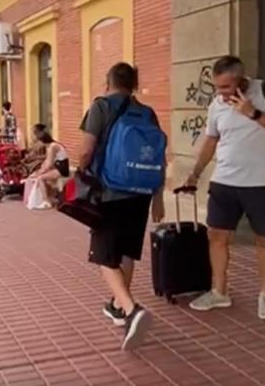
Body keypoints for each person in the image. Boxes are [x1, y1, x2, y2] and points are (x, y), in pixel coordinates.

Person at [185, 56, 265, 321]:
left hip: (263, 183)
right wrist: (195, 173)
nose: (221, 93)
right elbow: (211, 140)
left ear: (241, 80)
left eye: (226, 87)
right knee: (216, 236)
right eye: (217, 87)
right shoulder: (217, 105)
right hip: (224, 181)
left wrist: (253, 113)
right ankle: (219, 291)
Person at [77, 62, 165, 350]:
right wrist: (158, 197)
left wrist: (80, 172)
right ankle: (117, 305)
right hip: (141, 193)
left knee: (104, 256)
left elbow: (87, 149)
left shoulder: (101, 106)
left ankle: (132, 309)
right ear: (134, 84)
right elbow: (159, 157)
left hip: (112, 191)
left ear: (108, 81)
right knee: (126, 251)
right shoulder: (147, 112)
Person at [27, 124, 69, 201]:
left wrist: (39, 173)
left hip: (61, 169)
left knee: (40, 178)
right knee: (40, 175)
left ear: (41, 140)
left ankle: (46, 201)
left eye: (37, 142)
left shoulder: (52, 147)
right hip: (58, 167)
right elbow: (47, 160)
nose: (37, 145)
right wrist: (40, 169)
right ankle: (51, 197)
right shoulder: (51, 145)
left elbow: (48, 163)